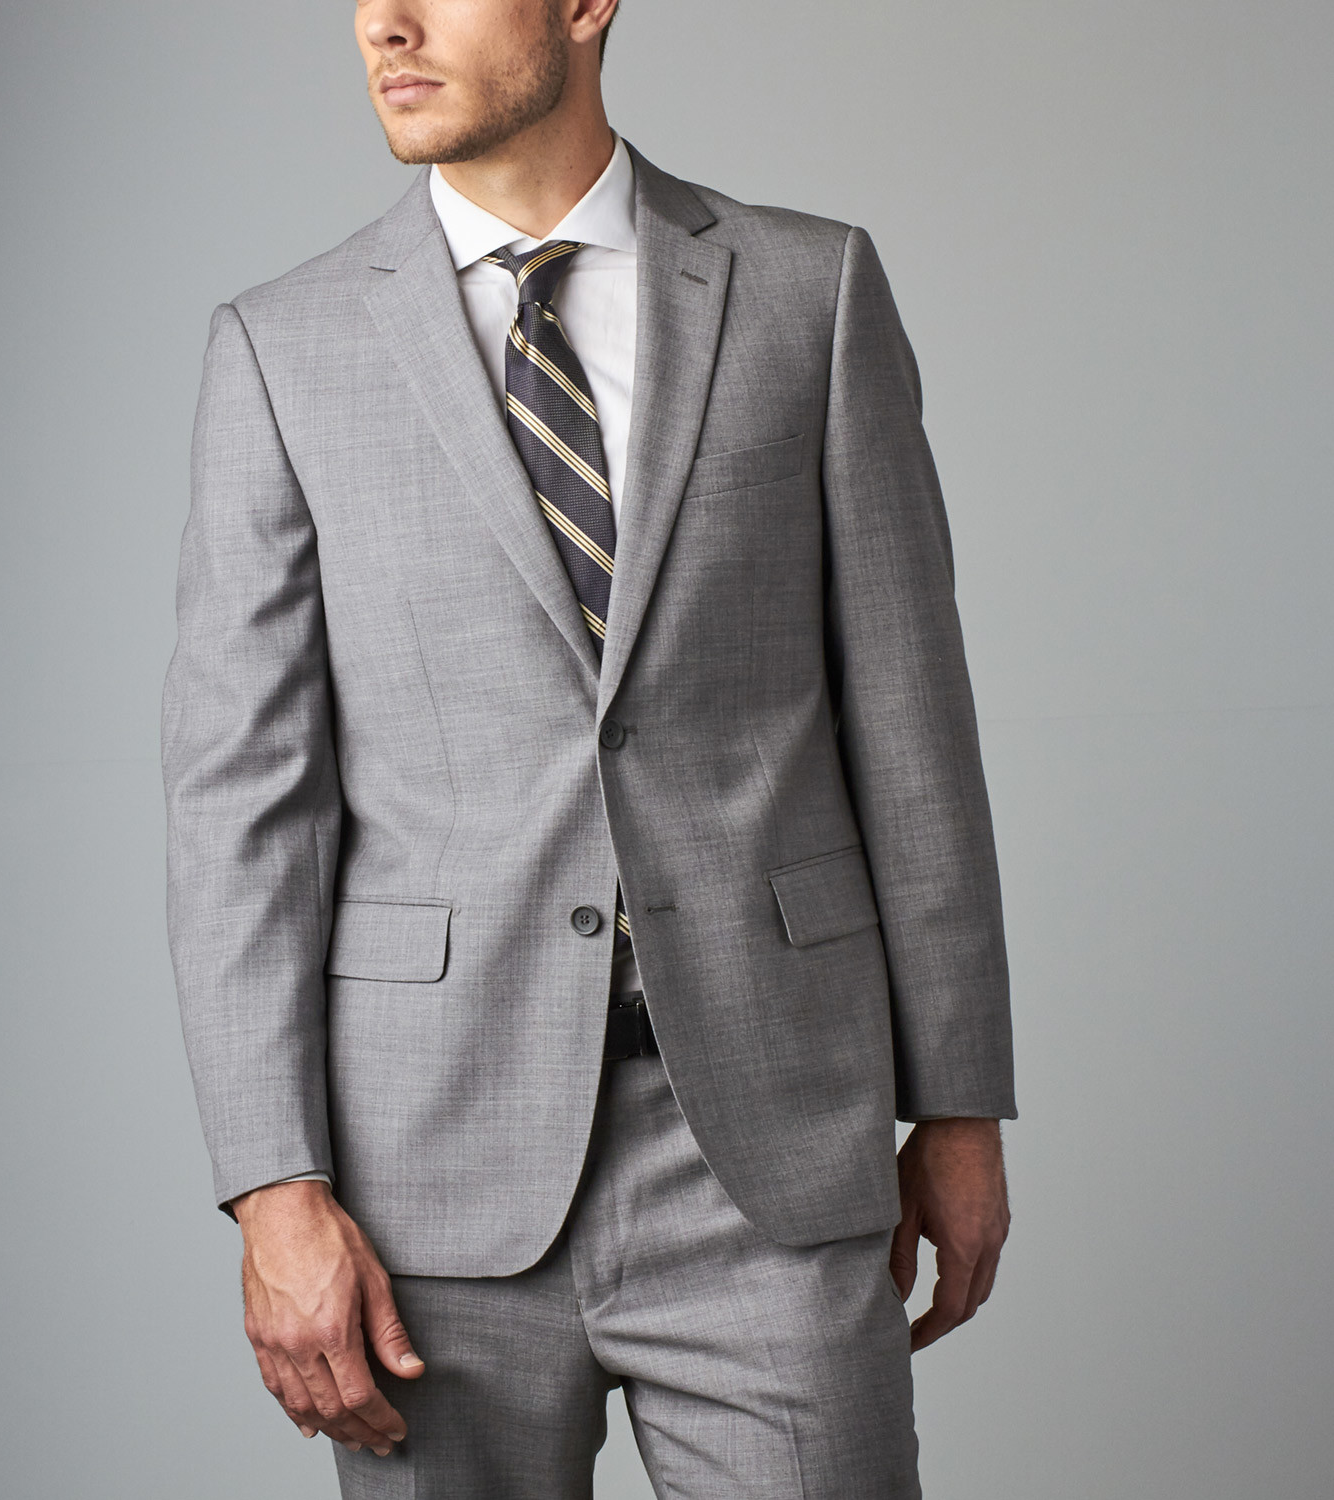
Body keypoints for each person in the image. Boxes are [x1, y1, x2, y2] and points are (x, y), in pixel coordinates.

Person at [161, 1, 1016, 1493]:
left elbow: (911, 724)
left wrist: (958, 1102)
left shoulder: (807, 289)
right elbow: (244, 805)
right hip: (429, 1178)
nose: (385, 25)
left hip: (768, 1142)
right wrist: (272, 1190)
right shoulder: (284, 347)